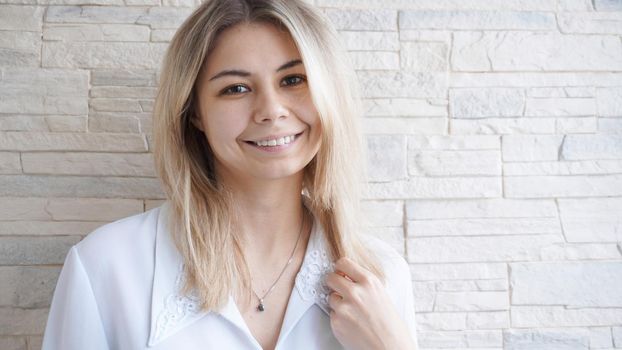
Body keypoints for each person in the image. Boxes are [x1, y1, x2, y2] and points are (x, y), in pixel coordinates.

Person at [41, 0, 418, 349]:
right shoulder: (106, 267)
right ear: (194, 114)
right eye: (235, 88)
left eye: (293, 80)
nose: (271, 110)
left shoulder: (382, 277)